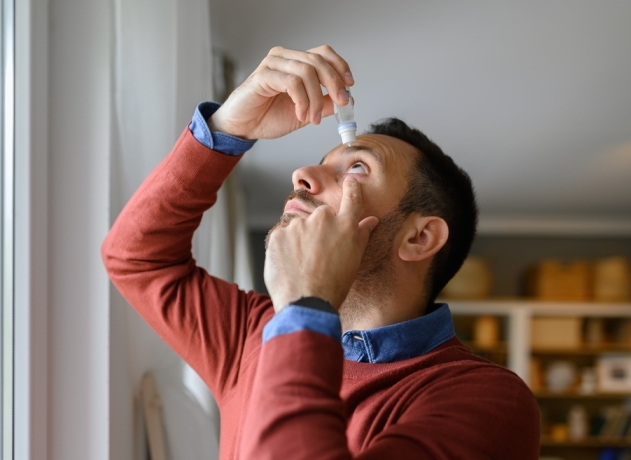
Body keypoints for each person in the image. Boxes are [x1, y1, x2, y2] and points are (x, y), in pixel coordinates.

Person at [102, 45, 540, 459]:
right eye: (321, 162)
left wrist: (305, 307)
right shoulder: (254, 335)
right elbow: (136, 257)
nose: (302, 174)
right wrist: (226, 132)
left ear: (419, 238)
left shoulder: (484, 400)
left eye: (356, 168)